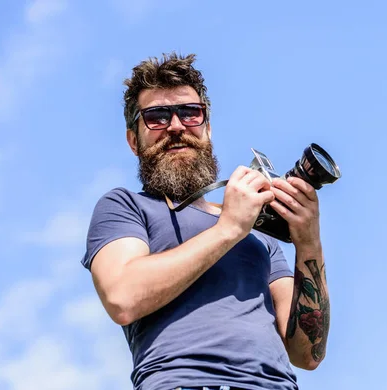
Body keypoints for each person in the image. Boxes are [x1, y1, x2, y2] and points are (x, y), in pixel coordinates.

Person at [81, 52, 331, 390]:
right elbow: (123, 298)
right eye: (156, 117)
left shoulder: (259, 233)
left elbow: (307, 354)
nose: (175, 125)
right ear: (133, 141)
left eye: (189, 113)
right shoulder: (125, 207)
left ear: (207, 128)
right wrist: (228, 228)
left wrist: (308, 242)